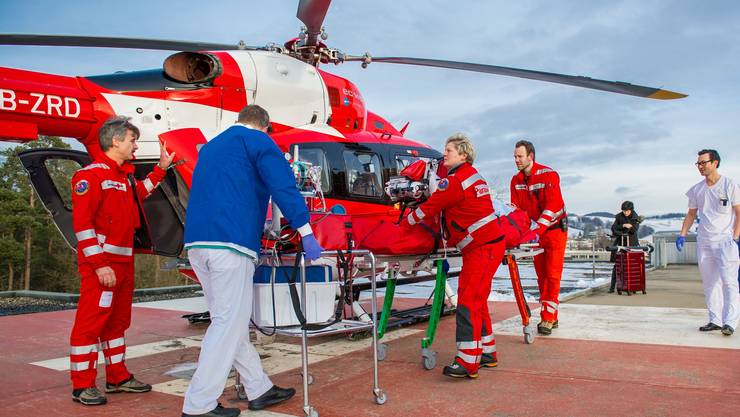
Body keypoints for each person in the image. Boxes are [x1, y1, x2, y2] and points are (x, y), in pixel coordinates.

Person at [181, 105, 324, 417]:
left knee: (228, 319)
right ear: (265, 125)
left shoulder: (211, 147)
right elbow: (283, 186)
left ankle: (258, 387)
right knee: (227, 322)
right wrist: (305, 230)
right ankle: (198, 405)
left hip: (197, 243)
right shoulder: (258, 141)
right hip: (231, 243)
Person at [69, 116, 174, 405]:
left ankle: (118, 378)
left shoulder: (123, 177)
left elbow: (141, 193)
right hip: (102, 266)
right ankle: (82, 386)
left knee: (117, 323)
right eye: (132, 140)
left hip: (124, 263)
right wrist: (100, 264)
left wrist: (162, 169)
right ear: (115, 141)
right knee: (91, 323)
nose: (135, 145)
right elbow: (83, 226)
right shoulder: (89, 177)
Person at [401, 133, 505, 379]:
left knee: (468, 300)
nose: (444, 153)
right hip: (487, 245)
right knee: (477, 299)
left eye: (449, 150)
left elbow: (432, 206)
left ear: (463, 154)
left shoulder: (455, 180)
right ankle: (487, 353)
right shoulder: (472, 176)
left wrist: (407, 220)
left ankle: (468, 361)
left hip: (482, 247)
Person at [677, 149, 739, 336]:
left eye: (704, 162)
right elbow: (691, 214)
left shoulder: (729, 185)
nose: (700, 166)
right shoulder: (697, 189)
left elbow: (739, 212)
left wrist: (736, 238)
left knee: (729, 282)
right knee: (710, 283)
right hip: (704, 241)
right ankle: (715, 320)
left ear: (715, 163)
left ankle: (730, 322)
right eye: (698, 163)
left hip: (726, 241)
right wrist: (682, 233)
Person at [510, 140, 567, 336]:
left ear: (530, 156)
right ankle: (552, 313)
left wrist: (537, 230)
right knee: (541, 275)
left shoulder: (549, 175)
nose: (516, 160)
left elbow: (553, 206)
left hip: (555, 231)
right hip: (536, 234)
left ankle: (548, 318)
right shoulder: (515, 181)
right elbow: (516, 211)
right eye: (515, 156)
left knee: (552, 275)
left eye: (520, 156)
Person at [609, 201, 641, 293]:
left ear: (631, 210)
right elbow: (613, 228)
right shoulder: (619, 216)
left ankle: (633, 286)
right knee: (617, 266)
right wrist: (624, 225)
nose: (625, 212)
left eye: (627, 211)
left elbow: (634, 230)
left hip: (632, 243)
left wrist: (627, 228)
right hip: (620, 242)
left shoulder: (636, 217)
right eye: (624, 211)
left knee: (633, 265)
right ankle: (612, 287)